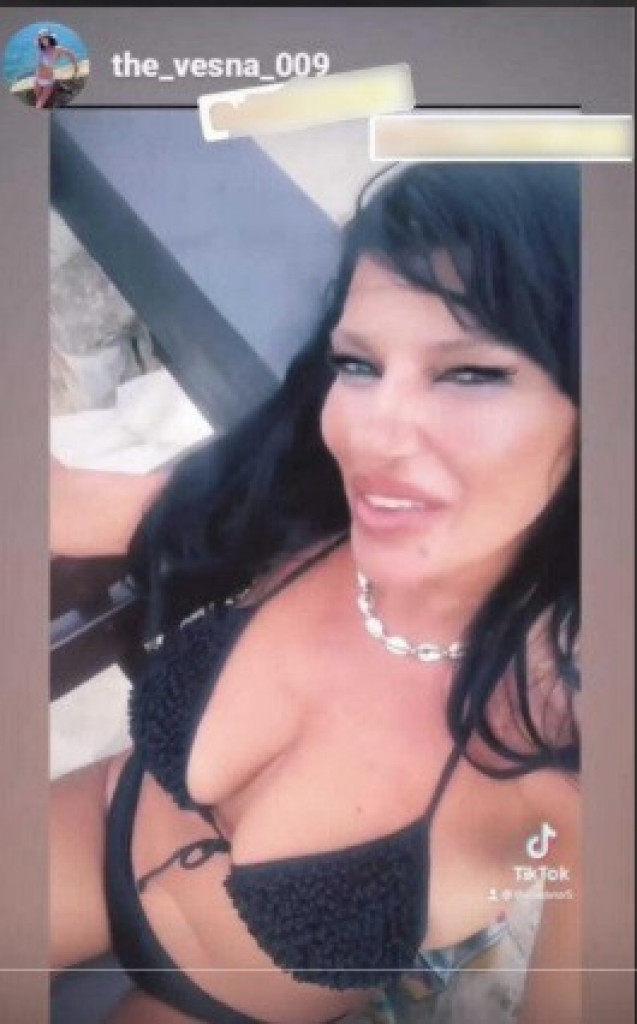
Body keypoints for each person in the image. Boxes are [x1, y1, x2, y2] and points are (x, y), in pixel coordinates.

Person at [50, 162, 581, 1024]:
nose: (367, 430)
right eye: (358, 363)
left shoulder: (566, 746)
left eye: (468, 374)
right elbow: (69, 502)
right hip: (97, 831)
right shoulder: (306, 509)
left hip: (222, 1004)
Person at [33, 29, 79, 110]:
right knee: (38, 102)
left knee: (39, 106)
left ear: (49, 38)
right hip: (37, 80)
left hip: (48, 81)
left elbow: (72, 55)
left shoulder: (57, 49)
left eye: (44, 38)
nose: (43, 40)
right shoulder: (42, 49)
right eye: (41, 39)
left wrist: (76, 69)